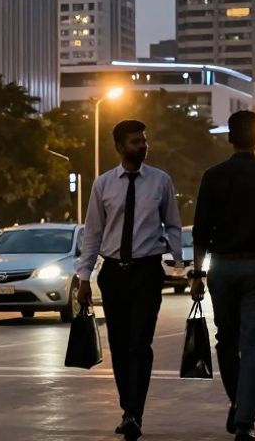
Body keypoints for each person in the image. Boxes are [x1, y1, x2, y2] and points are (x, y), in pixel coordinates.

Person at [77, 119, 184, 441]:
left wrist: (178, 265)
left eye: (144, 140)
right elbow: (93, 233)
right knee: (120, 347)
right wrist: (84, 277)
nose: (143, 146)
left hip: (147, 271)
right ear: (120, 147)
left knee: (140, 344)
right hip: (113, 272)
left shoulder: (161, 181)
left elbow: (174, 226)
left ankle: (134, 412)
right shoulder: (103, 185)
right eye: (136, 141)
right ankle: (128, 410)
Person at [190, 110, 255, 441]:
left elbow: (201, 231)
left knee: (226, 339)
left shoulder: (213, 176)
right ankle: (245, 421)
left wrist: (197, 274)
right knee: (253, 348)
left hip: (222, 266)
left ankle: (238, 401)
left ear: (229, 137)